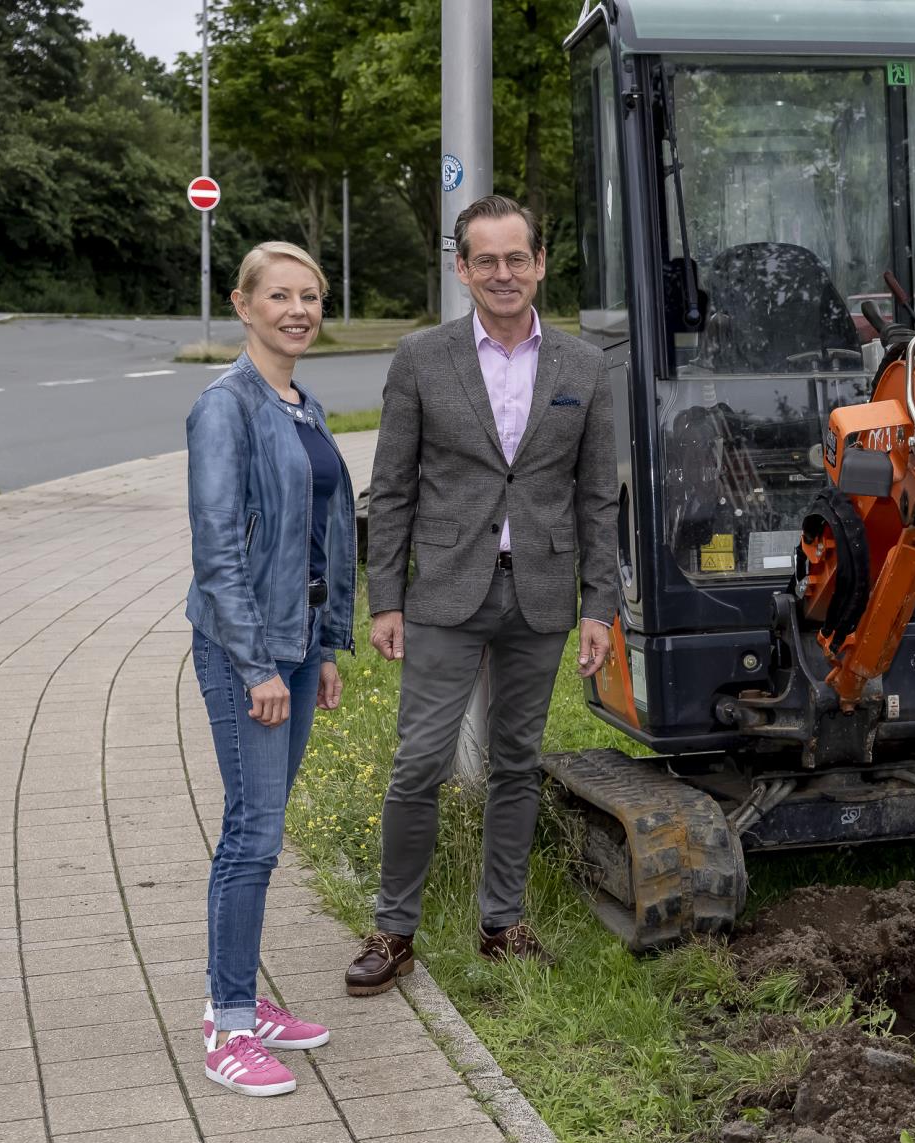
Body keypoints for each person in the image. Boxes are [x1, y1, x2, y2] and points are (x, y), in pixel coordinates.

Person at [348, 194, 615, 994]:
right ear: (462, 269)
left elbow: (597, 497)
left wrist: (598, 604)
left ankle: (503, 924)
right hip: (444, 593)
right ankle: (393, 930)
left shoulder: (583, 367)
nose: (504, 274)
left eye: (517, 258)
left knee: (517, 762)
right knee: (419, 762)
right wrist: (385, 598)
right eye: (486, 261)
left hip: (539, 593)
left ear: (539, 263)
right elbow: (390, 489)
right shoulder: (421, 358)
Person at [185, 241, 353, 1096]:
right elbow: (218, 555)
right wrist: (258, 667)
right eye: (280, 296)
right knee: (253, 835)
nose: (298, 310)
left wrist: (321, 651)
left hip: (293, 644)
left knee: (262, 828)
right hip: (242, 649)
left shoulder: (300, 403)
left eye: (312, 297)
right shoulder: (227, 407)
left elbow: (316, 543)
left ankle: (238, 1000)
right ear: (243, 305)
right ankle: (229, 1025)